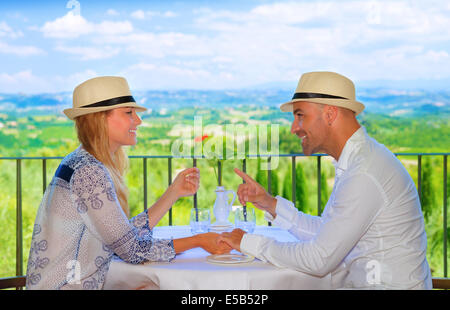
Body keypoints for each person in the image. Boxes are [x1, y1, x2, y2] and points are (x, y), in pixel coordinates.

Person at [219, 71, 432, 289]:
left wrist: (246, 242)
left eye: (300, 116)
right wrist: (270, 204)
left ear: (330, 114)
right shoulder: (361, 161)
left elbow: (319, 258)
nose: (294, 128)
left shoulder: (364, 172)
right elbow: (327, 236)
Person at [25, 76, 230, 290]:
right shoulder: (89, 172)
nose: (138, 121)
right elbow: (131, 250)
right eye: (128, 113)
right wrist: (198, 240)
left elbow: (122, 237)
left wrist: (173, 193)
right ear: (100, 118)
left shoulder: (81, 161)